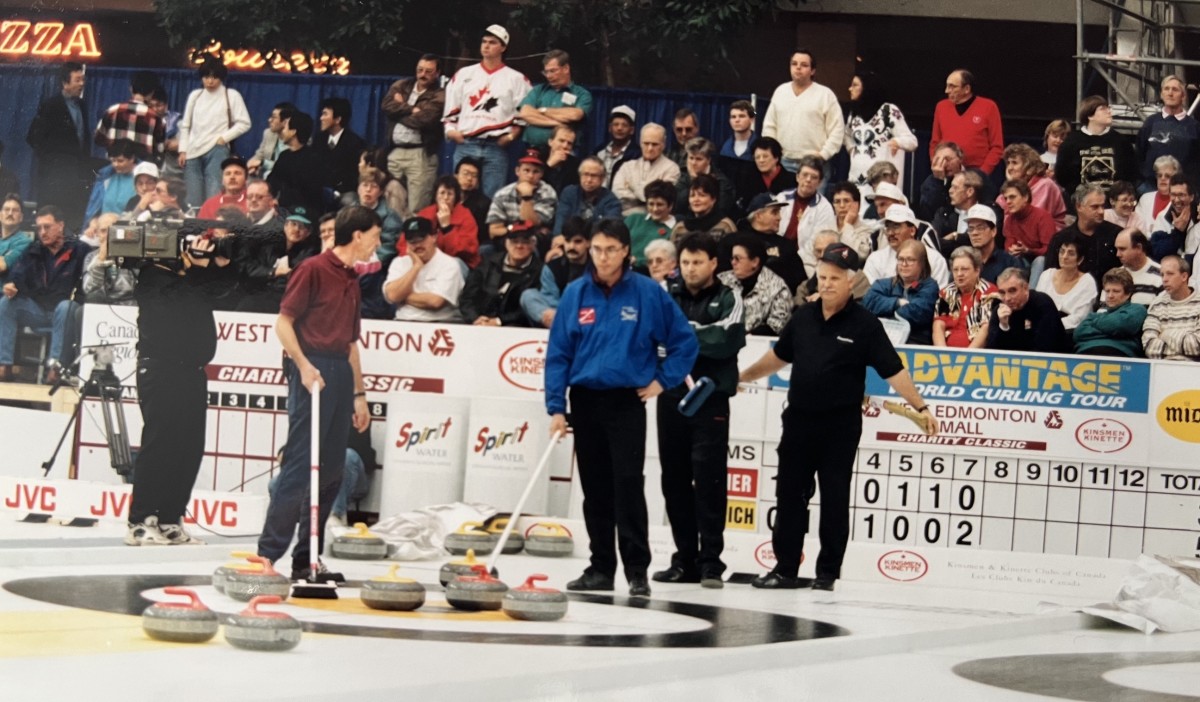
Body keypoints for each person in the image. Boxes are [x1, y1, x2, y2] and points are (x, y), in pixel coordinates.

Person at [739, 243, 936, 591]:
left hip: (839, 426)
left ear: (852, 281)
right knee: (789, 496)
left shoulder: (865, 325)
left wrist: (920, 406)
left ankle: (827, 573)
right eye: (823, 276)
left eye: (834, 278)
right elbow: (779, 357)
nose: (826, 284)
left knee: (833, 498)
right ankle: (785, 569)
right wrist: (744, 376)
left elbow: (893, 370)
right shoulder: (803, 317)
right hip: (798, 420)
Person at [544, 218, 699, 598]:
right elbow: (558, 353)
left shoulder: (648, 293)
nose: (603, 256)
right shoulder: (576, 293)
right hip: (585, 399)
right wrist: (556, 407)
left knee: (628, 484)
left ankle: (636, 570)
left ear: (626, 251)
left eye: (611, 249)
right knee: (595, 488)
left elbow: (684, 342)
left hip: (627, 401)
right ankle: (600, 567)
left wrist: (663, 381)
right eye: (597, 249)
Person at [257, 206, 378, 580]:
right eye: (374, 235)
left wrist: (359, 394)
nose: (377, 242)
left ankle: (307, 557)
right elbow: (283, 323)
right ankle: (267, 555)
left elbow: (352, 343)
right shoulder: (312, 269)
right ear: (356, 235)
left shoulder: (352, 279)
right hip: (312, 369)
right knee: (298, 464)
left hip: (339, 371)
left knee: (331, 470)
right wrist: (304, 365)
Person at [123, 206, 238, 545]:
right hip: (160, 367)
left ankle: (171, 518)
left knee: (189, 445)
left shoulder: (193, 276)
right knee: (160, 443)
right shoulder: (152, 275)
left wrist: (209, 266)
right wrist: (193, 269)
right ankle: (141, 521)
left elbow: (222, 293)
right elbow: (178, 299)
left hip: (191, 371)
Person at [654, 234, 744, 589]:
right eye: (686, 262)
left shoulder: (729, 297)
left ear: (713, 263)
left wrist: (683, 336)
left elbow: (726, 342)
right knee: (673, 480)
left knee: (709, 480)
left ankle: (711, 562)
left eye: (697, 262)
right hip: (671, 395)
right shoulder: (664, 294)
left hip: (710, 400)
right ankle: (684, 559)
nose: (690, 269)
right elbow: (654, 337)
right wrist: (691, 338)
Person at [0, 206, 89, 383]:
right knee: (6, 303)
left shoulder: (80, 249)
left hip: (67, 314)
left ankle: (56, 367)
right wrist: (12, 286)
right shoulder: (34, 250)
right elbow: (17, 275)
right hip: (39, 312)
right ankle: (4, 364)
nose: (42, 232)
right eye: (39, 228)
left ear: (61, 225)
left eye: (47, 227)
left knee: (66, 307)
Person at [443, 25, 531, 198]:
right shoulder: (464, 74)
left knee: (492, 198)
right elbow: (450, 111)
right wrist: (452, 132)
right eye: (484, 41)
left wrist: (511, 136)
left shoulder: (517, 79)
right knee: (459, 196)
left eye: (492, 42)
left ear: (503, 47)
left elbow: (523, 116)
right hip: (466, 144)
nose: (486, 46)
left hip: (496, 147)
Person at [26, 62, 94, 230]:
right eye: (77, 80)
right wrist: (53, 162)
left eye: (83, 79)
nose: (82, 84)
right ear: (65, 83)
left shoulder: (82, 106)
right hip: (54, 177)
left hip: (76, 175)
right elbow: (33, 137)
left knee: (72, 221)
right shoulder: (51, 106)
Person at [177, 56, 252, 205]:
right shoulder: (195, 95)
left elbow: (244, 123)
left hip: (217, 149)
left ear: (221, 78)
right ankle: (195, 227)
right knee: (193, 197)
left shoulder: (231, 95)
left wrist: (223, 138)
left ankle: (212, 227)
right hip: (193, 150)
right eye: (206, 77)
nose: (210, 81)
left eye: (214, 77)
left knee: (214, 193)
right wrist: (183, 149)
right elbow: (186, 125)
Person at [762, 49, 844, 173]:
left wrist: (823, 155)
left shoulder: (825, 94)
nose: (798, 68)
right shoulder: (780, 91)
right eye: (794, 64)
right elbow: (769, 126)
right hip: (784, 162)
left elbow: (837, 130)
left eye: (804, 65)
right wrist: (772, 153)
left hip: (815, 164)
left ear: (813, 71)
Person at [382, 54, 445, 213]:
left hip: (420, 154)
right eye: (420, 70)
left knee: (418, 206)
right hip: (395, 151)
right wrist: (410, 109)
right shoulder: (401, 85)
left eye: (428, 71)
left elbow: (424, 120)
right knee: (389, 200)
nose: (423, 74)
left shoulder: (440, 94)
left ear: (437, 73)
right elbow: (386, 107)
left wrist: (399, 107)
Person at [236, 208, 320, 313]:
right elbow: (250, 269)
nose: (296, 229)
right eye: (293, 224)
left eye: (302, 227)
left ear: (308, 232)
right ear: (285, 226)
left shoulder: (310, 252)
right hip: (260, 294)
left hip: (288, 300)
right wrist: (273, 272)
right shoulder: (269, 245)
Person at [843, 73, 918, 192]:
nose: (850, 89)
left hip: (881, 182)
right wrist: (852, 148)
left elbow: (912, 141)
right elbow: (846, 135)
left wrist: (897, 141)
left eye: (855, 85)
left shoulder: (888, 111)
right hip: (856, 178)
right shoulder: (854, 113)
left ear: (867, 88)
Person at [384, 217, 466, 323]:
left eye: (421, 239)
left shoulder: (449, 264)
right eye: (412, 241)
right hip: (403, 321)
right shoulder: (399, 262)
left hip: (440, 322)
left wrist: (402, 297)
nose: (417, 245)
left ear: (434, 237)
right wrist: (416, 268)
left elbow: (435, 302)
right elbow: (392, 295)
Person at [461, 221, 542, 326]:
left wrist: (499, 321)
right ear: (506, 243)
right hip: (479, 324)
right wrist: (475, 318)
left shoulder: (540, 271)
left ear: (533, 244)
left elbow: (532, 309)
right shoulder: (487, 264)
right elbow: (467, 298)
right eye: (514, 241)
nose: (519, 246)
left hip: (516, 328)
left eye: (525, 242)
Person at [1055, 95, 1137, 197]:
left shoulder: (1121, 142)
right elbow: (1062, 176)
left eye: (1108, 108)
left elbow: (1131, 174)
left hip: (1112, 204)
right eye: (1103, 109)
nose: (1109, 112)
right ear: (1090, 115)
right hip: (1081, 203)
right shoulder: (1071, 142)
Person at [862, 239, 938, 344]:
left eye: (910, 259)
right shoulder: (884, 284)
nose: (904, 264)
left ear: (922, 263)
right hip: (881, 341)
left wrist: (882, 315)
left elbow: (917, 313)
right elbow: (868, 303)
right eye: (900, 259)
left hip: (915, 343)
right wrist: (897, 303)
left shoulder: (930, 286)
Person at [1046, 184, 1122, 286]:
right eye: (1095, 207)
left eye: (1102, 206)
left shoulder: (1116, 235)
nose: (1101, 211)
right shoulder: (1061, 239)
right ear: (1079, 206)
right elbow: (1051, 275)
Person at [930, 69, 1004, 175]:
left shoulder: (988, 107)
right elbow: (935, 142)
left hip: (977, 172)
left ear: (967, 89)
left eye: (952, 86)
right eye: (947, 86)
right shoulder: (941, 107)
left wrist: (982, 173)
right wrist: (936, 164)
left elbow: (997, 147)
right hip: (947, 171)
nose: (947, 91)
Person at [717, 234, 792, 335]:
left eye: (737, 258)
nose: (733, 262)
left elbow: (777, 326)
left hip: (756, 343)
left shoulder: (778, 288)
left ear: (755, 262)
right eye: (732, 258)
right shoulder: (722, 280)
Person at [517, 49, 593, 149]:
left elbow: (575, 115)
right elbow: (525, 113)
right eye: (546, 72)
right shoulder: (538, 90)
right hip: (533, 150)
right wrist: (558, 123)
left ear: (566, 68)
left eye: (553, 71)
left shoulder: (582, 94)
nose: (548, 76)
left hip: (563, 150)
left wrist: (542, 110)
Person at [522, 217, 590, 328]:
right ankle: (563, 326)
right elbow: (551, 301)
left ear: (588, 243)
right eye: (567, 241)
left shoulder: (597, 266)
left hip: (587, 315)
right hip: (559, 314)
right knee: (528, 295)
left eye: (577, 241)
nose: (571, 246)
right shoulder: (552, 267)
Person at [1136, 75, 1200, 192]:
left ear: (1183, 96)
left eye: (1175, 90)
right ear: (1161, 94)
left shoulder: (1194, 127)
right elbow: (1139, 154)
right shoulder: (1150, 122)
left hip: (1182, 190)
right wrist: (1140, 183)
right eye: (1166, 89)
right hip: (1150, 187)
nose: (1170, 93)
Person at [729, 194, 804, 292]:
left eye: (779, 212)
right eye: (774, 212)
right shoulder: (734, 242)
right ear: (759, 216)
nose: (780, 217)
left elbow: (800, 280)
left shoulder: (786, 246)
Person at [776, 155, 836, 278]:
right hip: (777, 254)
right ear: (797, 177)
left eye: (814, 177)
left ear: (819, 183)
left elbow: (817, 244)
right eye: (805, 175)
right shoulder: (781, 198)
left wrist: (793, 259)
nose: (808, 180)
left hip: (804, 263)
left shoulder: (825, 208)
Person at [863, 204, 950, 288]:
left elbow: (940, 296)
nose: (890, 233)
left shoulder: (934, 259)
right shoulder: (875, 259)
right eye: (888, 227)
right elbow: (871, 296)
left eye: (896, 227)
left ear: (912, 231)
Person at [485, 149, 557, 249]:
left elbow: (531, 222)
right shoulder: (502, 194)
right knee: (485, 250)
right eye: (526, 170)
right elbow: (493, 231)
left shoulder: (548, 193)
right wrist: (513, 229)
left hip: (535, 242)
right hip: (507, 241)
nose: (531, 176)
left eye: (536, 172)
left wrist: (526, 197)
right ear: (517, 171)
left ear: (541, 174)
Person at [987, 267, 1069, 353]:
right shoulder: (999, 310)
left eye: (1012, 291)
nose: (1007, 298)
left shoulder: (1043, 304)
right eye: (1002, 293)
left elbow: (1045, 348)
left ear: (1025, 288)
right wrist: (1004, 327)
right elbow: (992, 352)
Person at [932, 246, 999, 348]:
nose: (959, 274)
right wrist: (942, 353)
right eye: (955, 270)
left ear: (977, 271)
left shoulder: (989, 292)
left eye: (964, 269)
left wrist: (966, 357)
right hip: (947, 354)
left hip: (975, 355)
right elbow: (938, 325)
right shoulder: (946, 292)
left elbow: (986, 328)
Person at [93, 69, 165, 162]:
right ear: (152, 92)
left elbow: (98, 139)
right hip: (142, 172)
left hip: (115, 168)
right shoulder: (158, 119)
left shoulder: (112, 111)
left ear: (131, 88)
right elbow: (160, 150)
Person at [1074, 268, 1148, 357]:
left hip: (1119, 355)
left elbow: (1119, 326)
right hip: (1086, 354)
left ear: (1128, 294)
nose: (1110, 296)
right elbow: (1078, 334)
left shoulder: (1137, 309)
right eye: (1107, 291)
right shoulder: (1095, 315)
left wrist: (1095, 322)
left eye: (1116, 291)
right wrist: (1112, 331)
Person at [413, 175, 481, 268]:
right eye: (442, 193)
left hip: (459, 261)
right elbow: (405, 241)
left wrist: (447, 228)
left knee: (452, 265)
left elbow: (467, 250)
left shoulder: (465, 216)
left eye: (450, 194)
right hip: (427, 260)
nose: (445, 197)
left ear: (456, 197)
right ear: (435, 195)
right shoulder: (425, 214)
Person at [613, 123, 681, 215]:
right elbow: (617, 193)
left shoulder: (672, 168)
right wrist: (644, 197)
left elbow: (660, 198)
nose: (650, 148)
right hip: (624, 218)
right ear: (640, 143)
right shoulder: (627, 167)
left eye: (654, 144)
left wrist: (632, 188)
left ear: (663, 145)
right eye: (646, 143)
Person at [267, 111, 326, 218]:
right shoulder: (284, 156)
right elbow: (272, 182)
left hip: (304, 212)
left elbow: (308, 193)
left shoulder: (313, 159)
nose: (282, 131)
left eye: (285, 128)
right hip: (281, 209)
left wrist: (279, 202)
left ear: (293, 131)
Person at [1142, 254, 1200, 360]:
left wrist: (1165, 334)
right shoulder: (1157, 304)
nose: (1164, 279)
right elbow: (1148, 346)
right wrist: (1183, 342)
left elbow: (1197, 346)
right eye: (1162, 275)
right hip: (1162, 368)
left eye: (1170, 274)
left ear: (1184, 276)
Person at [998, 143, 1068, 228]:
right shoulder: (1014, 186)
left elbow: (1031, 220)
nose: (1010, 168)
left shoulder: (1045, 185)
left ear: (1028, 166)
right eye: (1008, 163)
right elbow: (998, 211)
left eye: (1014, 163)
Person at [1035, 237, 1098, 331]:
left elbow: (1080, 318)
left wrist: (1050, 325)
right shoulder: (1047, 275)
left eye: (1071, 253)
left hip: (1070, 331)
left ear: (1080, 259)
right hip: (1041, 327)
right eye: (1062, 251)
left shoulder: (1087, 282)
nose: (1064, 256)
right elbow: (1036, 307)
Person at [553, 157, 622, 239]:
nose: (589, 180)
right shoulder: (569, 192)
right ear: (579, 175)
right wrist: (558, 236)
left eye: (594, 176)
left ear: (602, 178)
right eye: (585, 174)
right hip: (568, 240)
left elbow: (608, 230)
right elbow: (561, 218)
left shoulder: (612, 202)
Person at [1001, 178, 1057, 271]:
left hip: (1044, 263)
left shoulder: (1042, 216)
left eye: (1012, 197)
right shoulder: (1009, 220)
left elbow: (1050, 250)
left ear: (1025, 197)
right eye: (1006, 198)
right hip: (1022, 262)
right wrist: (1013, 250)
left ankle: (1032, 286)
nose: (1008, 202)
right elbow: (1009, 247)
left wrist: (1029, 251)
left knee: (1040, 261)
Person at [674, 137, 737, 218]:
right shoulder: (684, 177)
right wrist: (693, 181)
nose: (693, 163)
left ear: (708, 160)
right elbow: (676, 206)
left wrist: (694, 181)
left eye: (699, 159)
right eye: (691, 158)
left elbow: (721, 210)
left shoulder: (721, 182)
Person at [317, 97, 367, 196]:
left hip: (344, 192)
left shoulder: (354, 143)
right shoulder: (318, 140)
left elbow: (354, 176)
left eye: (325, 114)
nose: (321, 118)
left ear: (337, 119)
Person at [964, 204, 1024, 284]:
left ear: (993, 231)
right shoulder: (964, 262)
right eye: (971, 229)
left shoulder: (1009, 262)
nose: (974, 233)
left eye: (980, 228)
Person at [736, 136, 796, 211]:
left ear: (776, 158)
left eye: (765, 156)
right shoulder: (748, 179)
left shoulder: (792, 180)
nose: (761, 160)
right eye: (757, 157)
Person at [1149, 173, 1200, 262]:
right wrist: (1177, 232)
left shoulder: (1198, 215)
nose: (1176, 200)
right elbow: (1157, 253)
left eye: (1181, 195)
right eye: (1173, 195)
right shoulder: (1163, 217)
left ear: (1191, 197)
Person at [671, 174, 736, 243]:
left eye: (702, 195)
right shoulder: (680, 228)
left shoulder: (725, 226)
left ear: (713, 199)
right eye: (692, 196)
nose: (696, 199)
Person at [625, 180, 677, 265]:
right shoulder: (633, 219)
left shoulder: (676, 229)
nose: (655, 209)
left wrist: (637, 261)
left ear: (670, 206)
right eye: (651, 204)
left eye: (659, 204)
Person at [247, 102, 295, 179]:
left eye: (274, 117)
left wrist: (263, 163)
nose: (269, 120)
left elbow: (289, 167)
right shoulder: (268, 133)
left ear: (285, 122)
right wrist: (251, 166)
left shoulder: (296, 138)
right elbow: (259, 155)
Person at [718, 99, 757, 194]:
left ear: (751, 119)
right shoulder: (724, 148)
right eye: (733, 117)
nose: (737, 120)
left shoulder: (759, 146)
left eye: (742, 116)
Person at [1115, 229, 1163, 306]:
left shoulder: (1162, 275)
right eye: (1117, 249)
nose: (1118, 254)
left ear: (1139, 248)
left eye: (1122, 249)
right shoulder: (1114, 276)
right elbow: (1102, 311)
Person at [595, 106, 639, 188]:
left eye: (624, 125)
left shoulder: (637, 155)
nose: (619, 128)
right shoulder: (599, 151)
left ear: (632, 130)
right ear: (609, 128)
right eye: (616, 124)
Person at [830, 181, 875, 260]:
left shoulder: (866, 230)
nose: (842, 206)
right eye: (837, 201)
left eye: (846, 201)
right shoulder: (825, 224)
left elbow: (861, 255)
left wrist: (847, 225)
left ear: (857, 204)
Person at [455, 157, 491, 249]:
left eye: (474, 176)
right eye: (465, 174)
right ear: (455, 176)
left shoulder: (484, 204)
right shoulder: (446, 197)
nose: (469, 178)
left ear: (478, 182)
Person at [1137, 155, 1180, 228]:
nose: (1162, 178)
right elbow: (1137, 226)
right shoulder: (1145, 199)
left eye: (1167, 176)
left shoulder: (1179, 202)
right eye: (1159, 175)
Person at [0, 195, 32, 287]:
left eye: (15, 210)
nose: (10, 213)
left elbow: (2, 266)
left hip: (6, 297)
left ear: (21, 217)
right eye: (6, 209)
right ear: (0, 215)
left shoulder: (24, 241)